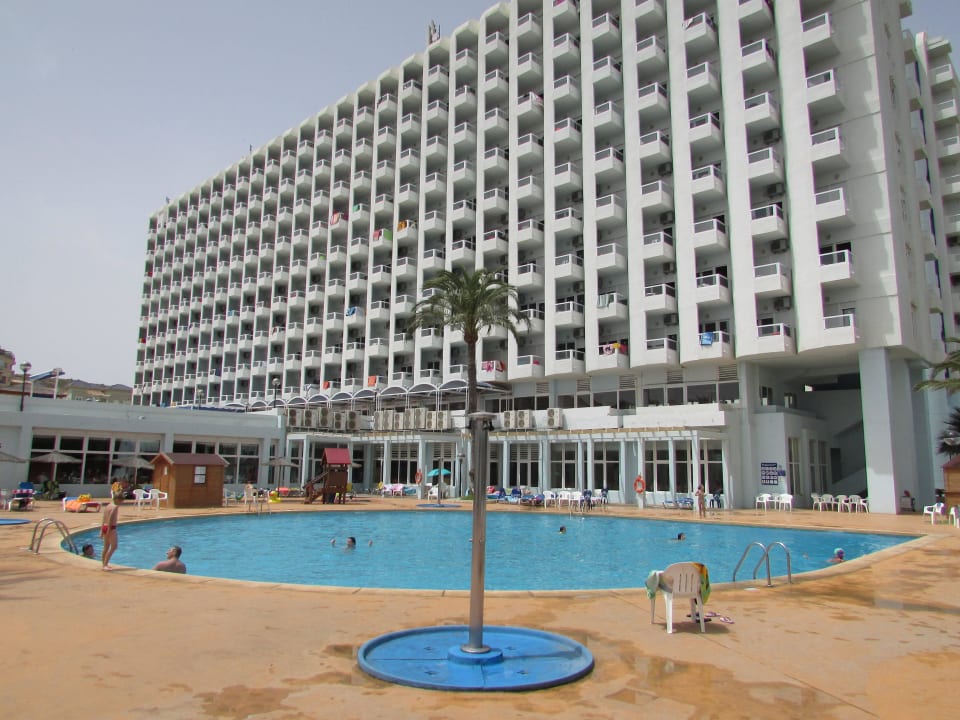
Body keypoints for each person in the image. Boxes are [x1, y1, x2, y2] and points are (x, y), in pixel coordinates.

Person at [100, 492, 122, 570]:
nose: (121, 502)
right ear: (117, 499)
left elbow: (104, 518)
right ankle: (105, 564)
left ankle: (103, 564)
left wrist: (101, 530)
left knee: (106, 547)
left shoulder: (108, 505)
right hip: (111, 528)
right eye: (121, 500)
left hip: (105, 527)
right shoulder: (115, 507)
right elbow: (111, 518)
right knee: (114, 547)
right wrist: (109, 530)